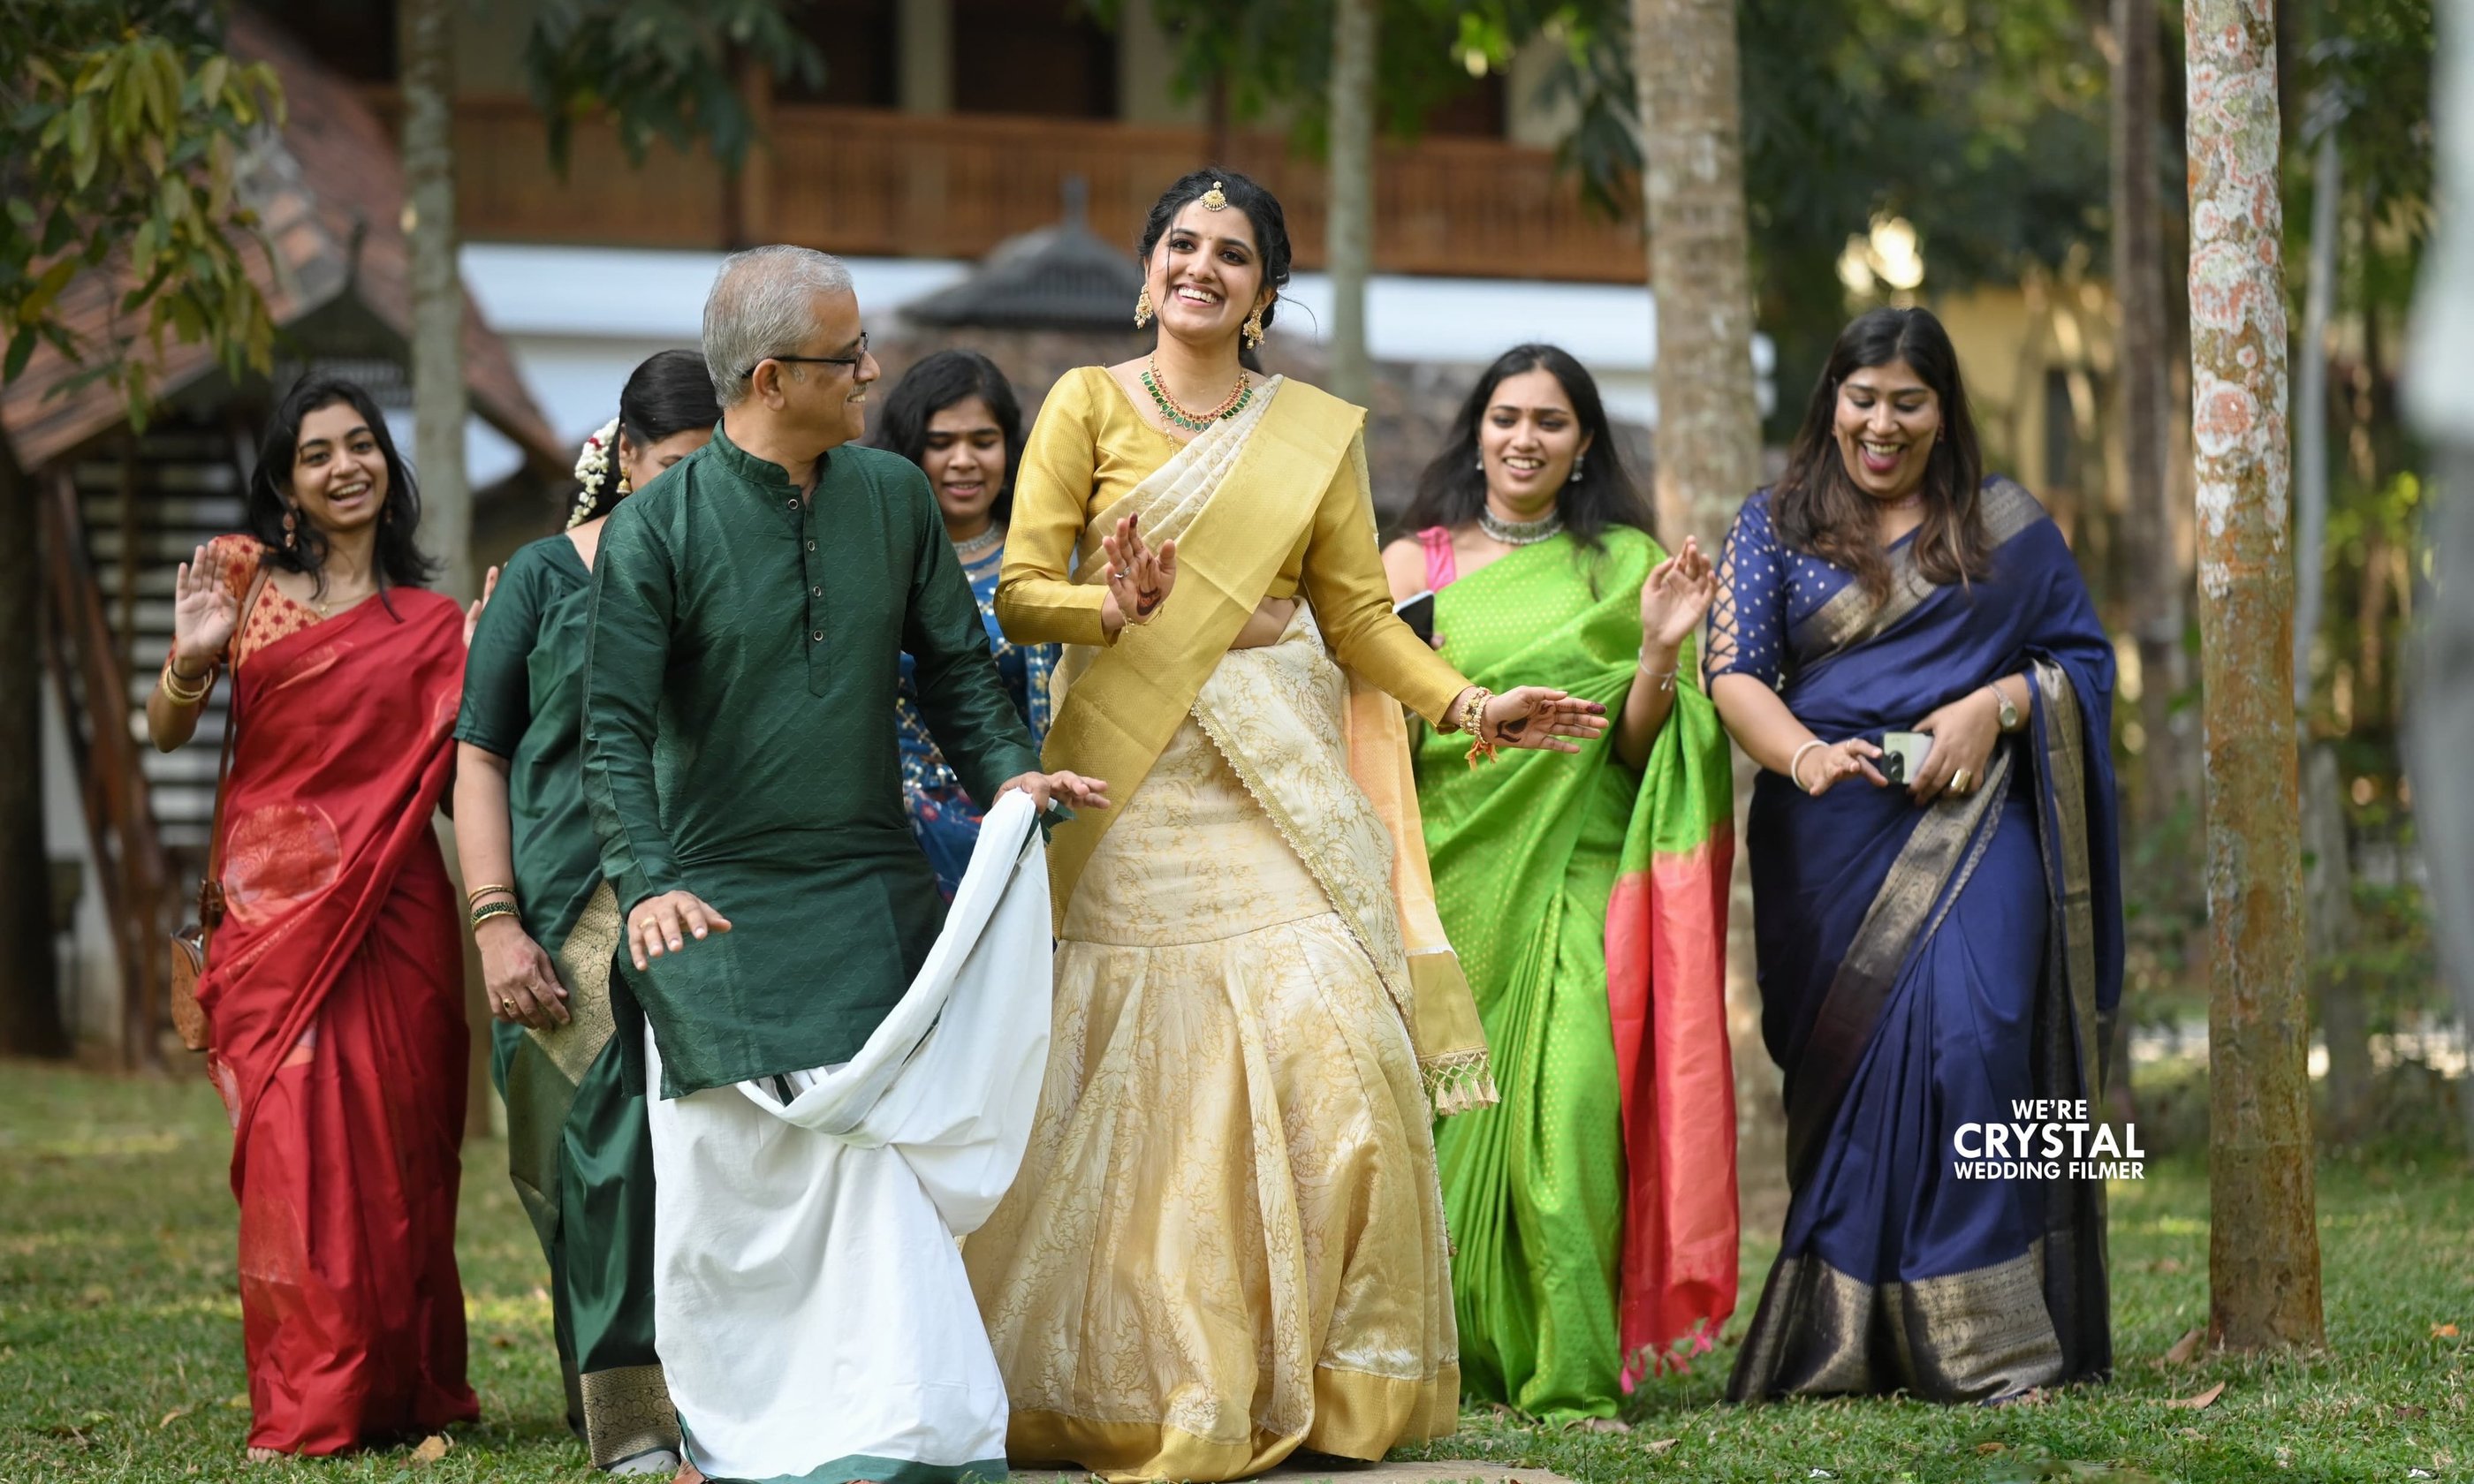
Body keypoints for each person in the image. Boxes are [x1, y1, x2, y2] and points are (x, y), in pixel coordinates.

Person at [966, 170, 1610, 1483]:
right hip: (1131, 780)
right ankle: (1148, 1382)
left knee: (1343, 1041)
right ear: (1148, 269)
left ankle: (1318, 1374)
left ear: (1265, 292)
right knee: (1148, 1076)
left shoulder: (1311, 430)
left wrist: (1469, 700)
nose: (1204, 268)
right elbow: (1025, 593)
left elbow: (1361, 617)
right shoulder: (1087, 405)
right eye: (1183, 246)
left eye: (1235, 254)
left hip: (1277, 777)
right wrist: (1113, 610)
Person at [580, 245, 1107, 1484]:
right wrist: (648, 882)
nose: (874, 370)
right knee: (742, 1179)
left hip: (872, 886)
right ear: (770, 377)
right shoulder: (658, 526)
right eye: (848, 355)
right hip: (715, 896)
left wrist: (1009, 781)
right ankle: (752, 1421)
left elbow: (958, 674)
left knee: (878, 1184)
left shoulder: (892, 498)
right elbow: (610, 729)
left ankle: (906, 1424)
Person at [1704, 307, 2121, 1404]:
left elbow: (2083, 663)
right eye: (1862, 397)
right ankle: (1850, 1343)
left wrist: (1999, 701)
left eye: (1907, 401)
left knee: (1977, 1038)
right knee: (1842, 1082)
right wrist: (1802, 761)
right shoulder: (1774, 522)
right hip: (1825, 833)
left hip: (1978, 816)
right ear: (1829, 400)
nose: (1880, 424)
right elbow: (1735, 671)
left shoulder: (2004, 529)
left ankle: (1990, 1345)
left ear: (1943, 413)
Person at [1380, 344, 1739, 1424]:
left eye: (1548, 421)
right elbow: (1381, 733)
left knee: (1575, 1108)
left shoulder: (1627, 564)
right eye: (1505, 417)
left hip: (1577, 875)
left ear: (1584, 444)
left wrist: (1657, 655)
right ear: (1475, 431)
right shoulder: (1414, 566)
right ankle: (1450, 1361)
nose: (1523, 439)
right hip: (1449, 876)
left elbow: (1636, 760)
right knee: (1438, 1122)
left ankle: (1569, 1364)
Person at [147, 378, 477, 1460]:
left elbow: (459, 772)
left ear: (391, 465)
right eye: (317, 452)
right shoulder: (244, 585)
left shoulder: (434, 625)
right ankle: (307, 1402)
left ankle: (405, 1392)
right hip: (272, 921)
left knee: (400, 1159)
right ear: (286, 481)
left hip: (398, 913)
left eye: (363, 445)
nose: (346, 466)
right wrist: (194, 658)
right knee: (289, 1163)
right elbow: (164, 734)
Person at [453, 348, 719, 1475]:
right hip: (562, 909)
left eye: (708, 473)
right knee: (578, 1167)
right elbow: (480, 756)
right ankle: (614, 1404)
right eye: (667, 469)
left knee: (701, 1163)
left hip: (702, 902)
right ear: (620, 459)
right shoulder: (540, 579)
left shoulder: (737, 580)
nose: (684, 496)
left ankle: (683, 1409)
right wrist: (495, 921)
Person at [872, 349, 1059, 895]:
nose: (964, 461)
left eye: (983, 441)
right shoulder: (875, 560)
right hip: (904, 840)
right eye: (940, 443)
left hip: (1024, 820)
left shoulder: (1045, 560)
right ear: (909, 448)